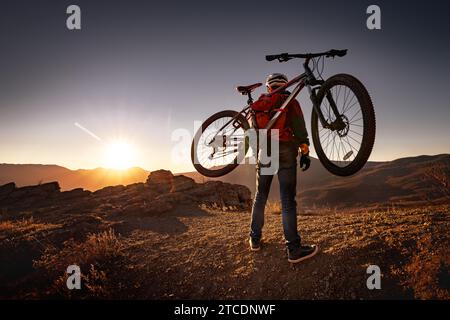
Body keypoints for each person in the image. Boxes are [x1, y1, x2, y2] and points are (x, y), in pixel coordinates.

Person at [249, 73, 319, 263]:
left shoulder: (261, 103)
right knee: (287, 200)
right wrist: (305, 151)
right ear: (284, 84)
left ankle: (254, 240)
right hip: (286, 149)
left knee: (260, 196)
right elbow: (300, 130)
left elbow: (253, 131)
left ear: (269, 86)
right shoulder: (291, 101)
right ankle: (293, 249)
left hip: (265, 151)